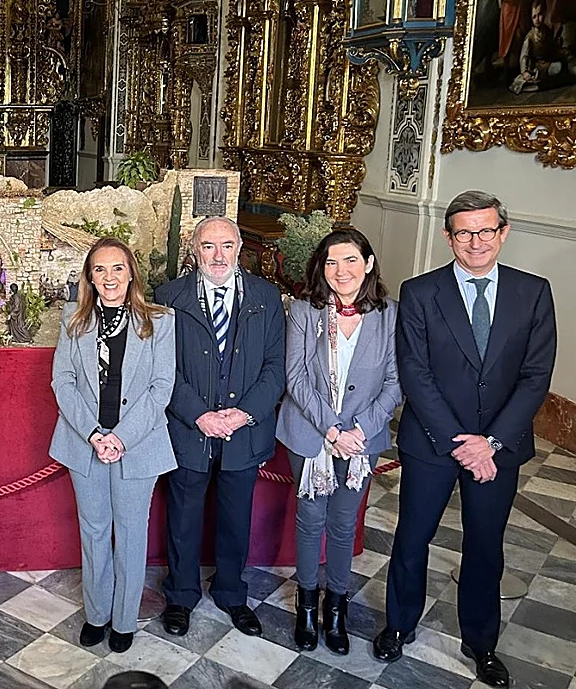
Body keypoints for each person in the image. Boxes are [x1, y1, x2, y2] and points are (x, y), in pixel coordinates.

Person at [375, 191, 556, 689]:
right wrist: (462, 442)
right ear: (447, 236)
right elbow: (414, 372)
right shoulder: (419, 292)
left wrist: (491, 442)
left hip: (500, 449)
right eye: (463, 232)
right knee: (412, 539)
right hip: (432, 442)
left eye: (485, 230)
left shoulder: (533, 292)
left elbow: (536, 377)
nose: (475, 241)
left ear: (503, 232)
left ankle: (481, 641)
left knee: (485, 546)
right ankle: (399, 624)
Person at [154, 216, 285, 638]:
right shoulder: (169, 298)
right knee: (184, 517)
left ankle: (232, 594)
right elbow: (163, 369)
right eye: (208, 246)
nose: (218, 255)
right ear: (194, 249)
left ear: (239, 246)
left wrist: (244, 413)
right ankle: (181, 595)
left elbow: (276, 369)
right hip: (191, 431)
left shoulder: (267, 298)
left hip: (244, 431)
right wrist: (199, 414)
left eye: (226, 245)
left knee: (235, 518)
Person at [277, 229, 401, 655]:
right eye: (331, 262)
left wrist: (359, 432)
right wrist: (331, 430)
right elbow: (293, 377)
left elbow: (393, 382)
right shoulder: (303, 310)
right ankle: (307, 608)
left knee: (344, 525)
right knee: (310, 523)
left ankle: (336, 611)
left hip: (362, 441)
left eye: (350, 260)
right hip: (310, 434)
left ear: (367, 264)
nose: (340, 270)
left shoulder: (389, 315)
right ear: (321, 268)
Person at [50, 238, 176, 653]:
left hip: (138, 445)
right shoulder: (73, 319)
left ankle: (124, 620)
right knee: (94, 531)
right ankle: (97, 614)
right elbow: (62, 382)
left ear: (131, 273)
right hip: (84, 442)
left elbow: (161, 389)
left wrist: (120, 437)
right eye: (100, 270)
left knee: (131, 532)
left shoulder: (160, 321)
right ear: (89, 276)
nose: (109, 278)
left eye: (117, 268)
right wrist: (93, 434)